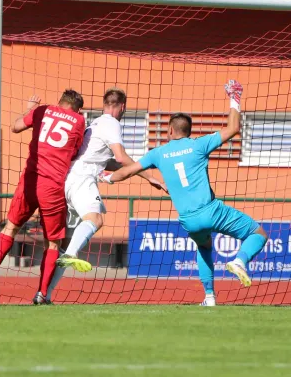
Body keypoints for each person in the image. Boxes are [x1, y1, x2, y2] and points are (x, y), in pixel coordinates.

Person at [106, 80, 267, 306]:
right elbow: (233, 129)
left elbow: (126, 172)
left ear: (170, 130)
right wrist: (235, 97)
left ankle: (209, 297)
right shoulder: (199, 145)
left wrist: (104, 177)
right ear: (188, 130)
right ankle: (240, 260)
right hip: (212, 211)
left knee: (204, 246)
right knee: (259, 234)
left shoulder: (158, 153)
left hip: (188, 220)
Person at [45, 88, 166, 303]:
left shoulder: (95, 123)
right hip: (82, 179)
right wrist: (149, 176)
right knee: (95, 219)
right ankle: (70, 256)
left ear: (103, 105)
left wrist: (135, 172)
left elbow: (105, 161)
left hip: (67, 179)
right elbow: (120, 157)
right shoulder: (112, 123)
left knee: (64, 241)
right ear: (123, 107)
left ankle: (44, 294)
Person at [0, 90, 88, 305]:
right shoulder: (79, 120)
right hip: (52, 185)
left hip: (29, 181)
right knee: (53, 243)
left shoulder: (42, 110)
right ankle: (41, 294)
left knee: (10, 228)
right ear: (78, 109)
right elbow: (74, 151)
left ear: (59, 103)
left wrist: (29, 109)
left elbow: (16, 126)